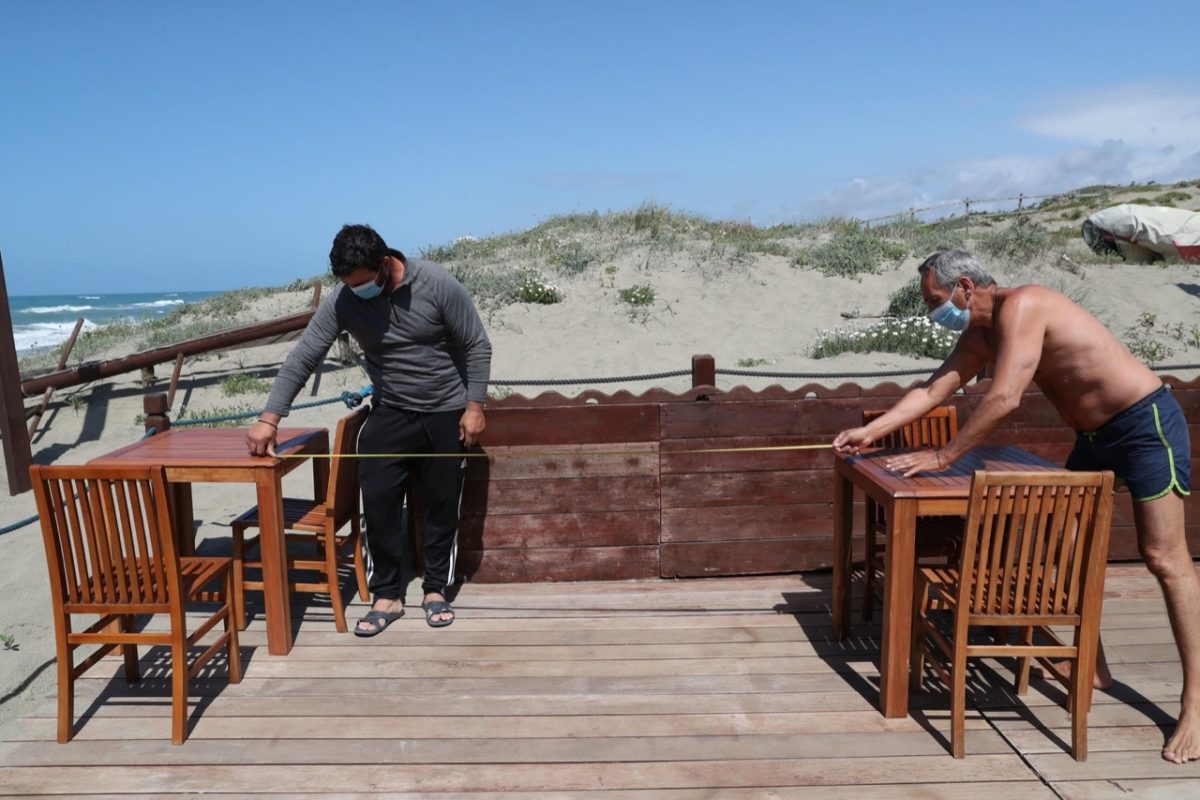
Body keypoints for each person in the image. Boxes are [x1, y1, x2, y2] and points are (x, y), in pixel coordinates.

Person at [832, 249, 1199, 764]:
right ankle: (1093, 666)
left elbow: (1005, 398)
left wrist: (943, 455)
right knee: (1068, 546)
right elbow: (935, 389)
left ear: (963, 286)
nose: (932, 312)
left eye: (935, 301)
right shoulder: (979, 336)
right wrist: (870, 432)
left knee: (1164, 558)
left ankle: (1195, 705)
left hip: (1144, 425)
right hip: (1093, 436)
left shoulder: (1023, 306)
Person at [246, 224, 492, 637]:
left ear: (384, 264)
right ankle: (387, 595)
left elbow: (476, 344)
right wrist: (269, 418)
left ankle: (436, 590)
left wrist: (474, 406)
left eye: (363, 283)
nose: (357, 291)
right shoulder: (345, 300)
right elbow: (305, 355)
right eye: (348, 284)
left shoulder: (435, 282)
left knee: (441, 505)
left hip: (445, 410)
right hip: (390, 410)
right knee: (377, 502)